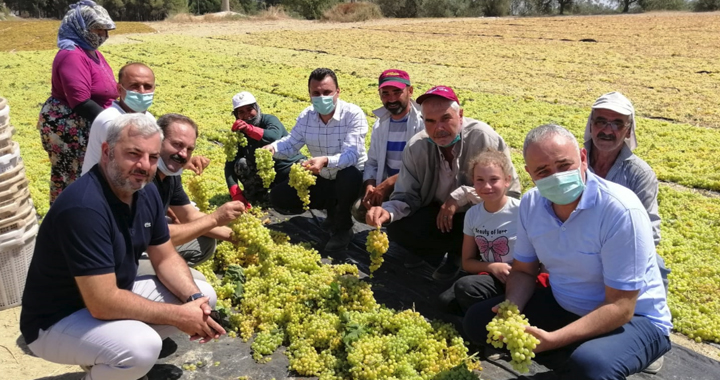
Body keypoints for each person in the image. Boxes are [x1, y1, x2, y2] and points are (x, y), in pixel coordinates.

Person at [20, 113, 225, 380]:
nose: (143, 165)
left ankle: (108, 360)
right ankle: (105, 367)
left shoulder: (145, 191)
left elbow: (165, 258)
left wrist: (194, 301)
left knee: (204, 296)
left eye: (152, 157)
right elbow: (102, 303)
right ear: (107, 152)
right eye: (133, 153)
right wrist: (178, 315)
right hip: (56, 320)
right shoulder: (84, 208)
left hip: (106, 298)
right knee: (141, 348)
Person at [463, 124, 672, 379]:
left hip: (634, 319)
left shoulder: (620, 210)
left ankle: (579, 356)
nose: (556, 176)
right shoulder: (531, 204)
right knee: (478, 322)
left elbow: (621, 306)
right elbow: (524, 271)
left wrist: (553, 339)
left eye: (563, 166)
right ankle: (571, 358)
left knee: (591, 367)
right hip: (566, 303)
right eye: (543, 171)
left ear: (583, 159)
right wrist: (512, 308)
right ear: (530, 174)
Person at [366, 86, 521, 281]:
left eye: (446, 118)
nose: (438, 128)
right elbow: (406, 195)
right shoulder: (416, 146)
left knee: (475, 223)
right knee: (398, 227)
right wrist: (387, 211)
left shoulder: (483, 137)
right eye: (430, 121)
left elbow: (511, 194)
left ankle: (459, 256)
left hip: (478, 214)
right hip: (438, 213)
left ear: (461, 115)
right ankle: (432, 253)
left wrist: (460, 196)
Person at [263, 68, 368, 251]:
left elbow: (352, 155)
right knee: (280, 196)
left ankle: (344, 227)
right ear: (309, 94)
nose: (322, 97)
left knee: (348, 175)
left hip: (352, 179)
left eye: (327, 92)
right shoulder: (307, 116)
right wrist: (272, 148)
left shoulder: (353, 114)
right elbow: (291, 143)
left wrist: (325, 161)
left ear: (338, 92)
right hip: (323, 175)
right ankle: (331, 210)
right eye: (316, 93)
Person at [584, 91, 670, 291]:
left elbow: (650, 230)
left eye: (617, 124)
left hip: (623, 250)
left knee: (657, 268)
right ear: (591, 125)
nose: (607, 130)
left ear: (629, 131)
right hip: (578, 243)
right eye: (601, 121)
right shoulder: (573, 164)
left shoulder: (639, 174)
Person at [37, 0, 117, 205]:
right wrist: (117, 124)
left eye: (105, 30)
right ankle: (68, 224)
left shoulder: (92, 52)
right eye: (98, 29)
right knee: (74, 179)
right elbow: (81, 102)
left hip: (89, 123)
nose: (103, 36)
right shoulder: (71, 54)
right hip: (71, 128)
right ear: (80, 27)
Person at [150, 113, 246, 267]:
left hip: (149, 237)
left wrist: (237, 236)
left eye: (189, 149)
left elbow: (189, 216)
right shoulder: (142, 177)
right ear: (156, 140)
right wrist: (215, 218)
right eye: (177, 144)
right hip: (126, 250)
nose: (183, 154)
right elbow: (156, 235)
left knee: (205, 241)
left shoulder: (170, 175)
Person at [438, 149, 520, 313]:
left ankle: (502, 311)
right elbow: (467, 262)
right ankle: (493, 308)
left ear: (507, 180)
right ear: (473, 182)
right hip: (492, 276)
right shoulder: (473, 214)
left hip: (519, 277)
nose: (487, 186)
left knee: (465, 289)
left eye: (494, 179)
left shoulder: (520, 211)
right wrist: (492, 267)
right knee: (445, 301)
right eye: (480, 180)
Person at [352, 69, 424, 224]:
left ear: (410, 91)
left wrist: (389, 183)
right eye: (385, 93)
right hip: (388, 188)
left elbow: (424, 169)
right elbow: (372, 162)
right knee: (360, 210)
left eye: (397, 92)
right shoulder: (380, 124)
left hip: (414, 188)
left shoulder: (423, 123)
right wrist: (370, 186)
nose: (391, 99)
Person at [225, 91, 304, 205]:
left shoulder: (269, 120)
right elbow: (230, 166)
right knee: (241, 163)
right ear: (236, 115)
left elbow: (273, 136)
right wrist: (235, 193)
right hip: (266, 178)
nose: (246, 114)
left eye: (249, 109)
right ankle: (259, 195)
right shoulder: (238, 134)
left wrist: (250, 129)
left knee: (302, 183)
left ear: (256, 108)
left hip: (289, 169)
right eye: (241, 112)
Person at [82, 62, 156, 175]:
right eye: (134, 86)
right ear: (119, 89)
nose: (142, 91)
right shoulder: (111, 122)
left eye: (147, 86)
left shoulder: (149, 118)